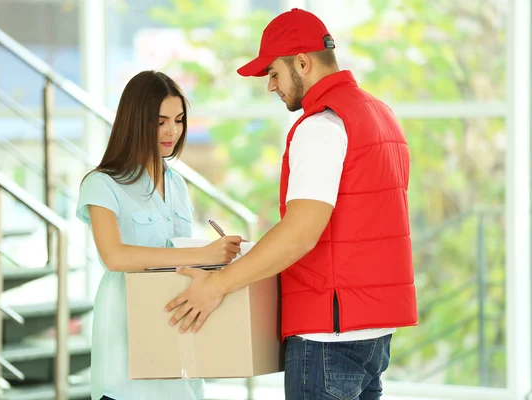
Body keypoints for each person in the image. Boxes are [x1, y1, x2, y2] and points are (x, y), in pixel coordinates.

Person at [165, 9, 418, 400]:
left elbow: (300, 233)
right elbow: (358, 223)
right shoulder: (380, 116)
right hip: (374, 333)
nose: (270, 86)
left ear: (303, 61)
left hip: (327, 336)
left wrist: (215, 286)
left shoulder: (322, 126)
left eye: (274, 73)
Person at [76, 70, 242, 400]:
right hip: (125, 340)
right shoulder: (101, 184)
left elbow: (177, 253)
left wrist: (221, 258)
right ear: (136, 121)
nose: (172, 131)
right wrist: (203, 254)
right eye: (160, 121)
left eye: (179, 120)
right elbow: (115, 256)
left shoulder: (177, 184)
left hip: (177, 330)